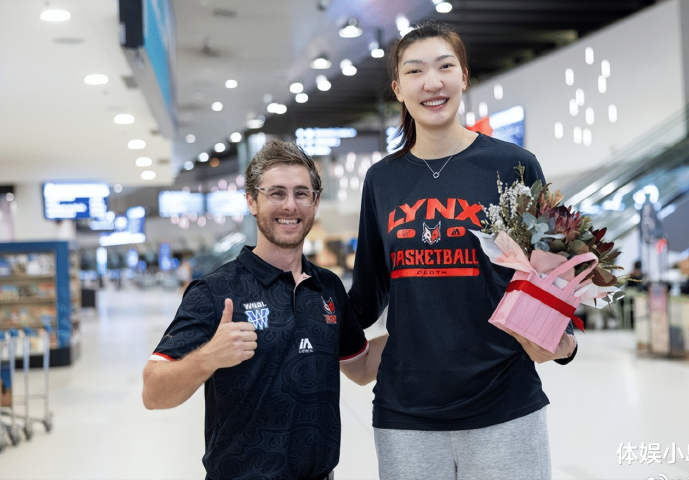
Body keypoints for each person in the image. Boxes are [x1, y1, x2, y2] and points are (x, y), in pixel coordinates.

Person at [348, 22, 577, 480]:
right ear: (398, 89)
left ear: (464, 77)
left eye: (445, 67)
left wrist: (564, 341)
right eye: (415, 71)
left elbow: (553, 272)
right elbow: (368, 292)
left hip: (505, 404)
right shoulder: (381, 180)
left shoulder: (514, 165)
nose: (432, 83)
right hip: (406, 413)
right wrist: (309, 316)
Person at [142, 138, 386, 480]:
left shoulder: (328, 288)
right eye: (276, 193)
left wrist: (425, 327)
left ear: (315, 202)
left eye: (301, 193)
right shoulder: (215, 292)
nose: (290, 205)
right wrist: (209, 357)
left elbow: (360, 368)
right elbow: (153, 392)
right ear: (252, 201)